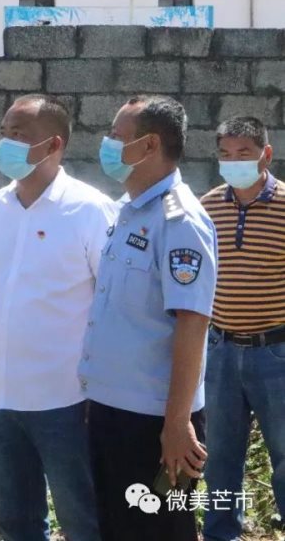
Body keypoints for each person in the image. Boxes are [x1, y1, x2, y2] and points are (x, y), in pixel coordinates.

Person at [0, 95, 114, 541]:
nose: (6, 143)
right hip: (2, 399)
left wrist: (103, 388)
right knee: (16, 521)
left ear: (53, 145)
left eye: (19, 135)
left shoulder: (90, 209)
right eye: (4, 132)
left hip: (67, 399)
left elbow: (111, 303)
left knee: (83, 518)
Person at [79, 95, 218, 541]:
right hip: (114, 411)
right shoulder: (131, 209)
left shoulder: (180, 221)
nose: (107, 144)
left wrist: (176, 424)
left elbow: (192, 323)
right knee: (118, 527)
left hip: (153, 421)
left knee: (159, 530)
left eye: (116, 136)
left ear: (150, 145)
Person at [200, 116, 285, 541]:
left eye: (243, 154)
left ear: (265, 155)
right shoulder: (208, 206)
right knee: (219, 457)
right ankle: (220, 534)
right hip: (220, 349)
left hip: (275, 353)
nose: (233, 163)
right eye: (226, 155)